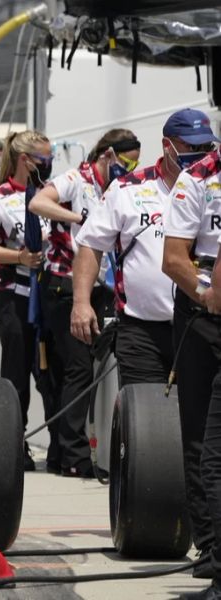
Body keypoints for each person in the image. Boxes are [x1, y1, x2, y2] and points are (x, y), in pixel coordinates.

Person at [28, 128, 140, 478]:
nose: (129, 168)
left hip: (99, 286)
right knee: (74, 369)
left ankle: (65, 453)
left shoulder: (117, 188)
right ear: (107, 154)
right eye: (125, 161)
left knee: (76, 370)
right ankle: (75, 457)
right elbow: (37, 203)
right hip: (63, 285)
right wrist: (80, 220)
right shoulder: (77, 179)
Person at [72, 112, 193, 390]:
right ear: (168, 145)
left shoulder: (213, 187)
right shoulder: (127, 188)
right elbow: (91, 244)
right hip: (141, 329)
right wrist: (81, 302)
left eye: (206, 147)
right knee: (147, 421)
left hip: (200, 327)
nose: (198, 154)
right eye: (190, 146)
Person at [161, 109, 221, 589]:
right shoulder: (195, 181)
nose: (198, 154)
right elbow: (174, 259)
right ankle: (211, 547)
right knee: (202, 438)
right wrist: (207, 295)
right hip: (204, 314)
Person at [0, 130, 52, 471]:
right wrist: (18, 257)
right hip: (14, 297)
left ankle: (64, 446)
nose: (50, 165)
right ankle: (14, 446)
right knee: (16, 375)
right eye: (45, 159)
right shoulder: (0, 198)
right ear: (26, 160)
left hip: (48, 297)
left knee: (50, 374)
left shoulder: (52, 195)